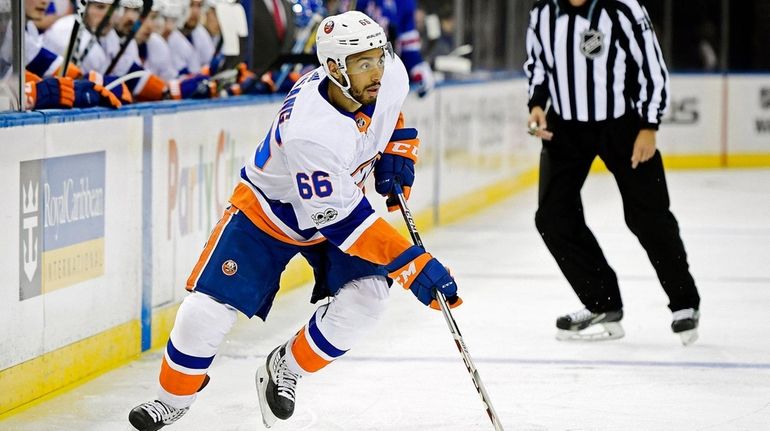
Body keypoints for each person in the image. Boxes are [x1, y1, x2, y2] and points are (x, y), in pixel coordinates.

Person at [127, 10, 460, 431]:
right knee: (204, 312)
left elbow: (388, 111)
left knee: (368, 299)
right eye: (364, 63)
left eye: (380, 56)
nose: (378, 70)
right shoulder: (312, 130)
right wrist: (413, 264)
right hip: (269, 213)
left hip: (335, 200)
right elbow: (346, 225)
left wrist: (396, 146)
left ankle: (286, 366)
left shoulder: (388, 74)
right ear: (335, 69)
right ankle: (171, 398)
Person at [524, 0, 701, 345]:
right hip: (566, 127)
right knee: (553, 217)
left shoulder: (624, 8)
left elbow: (652, 67)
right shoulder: (542, 11)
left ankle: (685, 303)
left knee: (648, 215)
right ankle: (602, 303)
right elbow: (537, 65)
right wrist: (536, 105)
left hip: (624, 125)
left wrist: (649, 125)